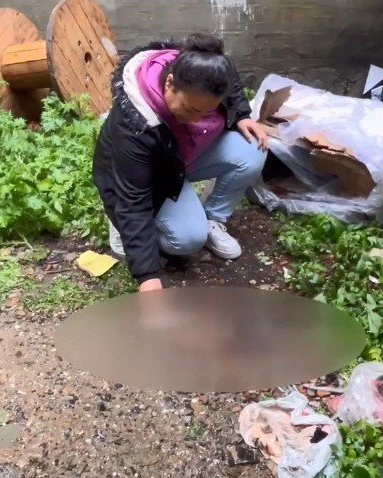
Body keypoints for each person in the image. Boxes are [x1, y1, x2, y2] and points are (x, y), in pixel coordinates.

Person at [91, 34, 268, 293]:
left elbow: (232, 86)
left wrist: (241, 114)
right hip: (147, 175)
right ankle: (118, 224)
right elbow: (133, 201)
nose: (198, 118)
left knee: (253, 148)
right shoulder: (133, 126)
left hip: (182, 157)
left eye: (207, 111)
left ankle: (213, 218)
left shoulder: (205, 70)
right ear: (170, 83)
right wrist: (148, 277)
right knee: (186, 240)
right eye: (190, 109)